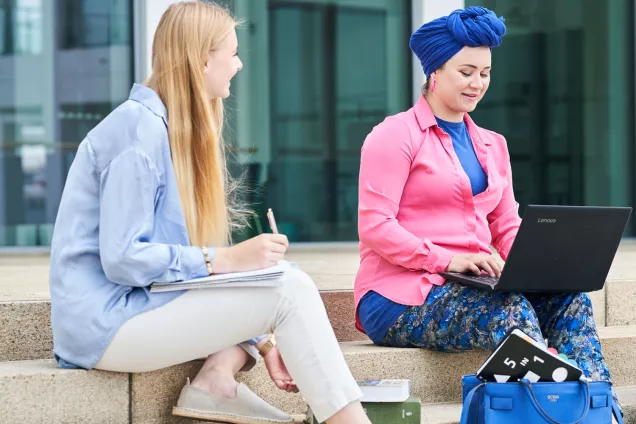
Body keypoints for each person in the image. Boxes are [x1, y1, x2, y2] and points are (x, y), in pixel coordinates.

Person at [49, 2, 371, 424]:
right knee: (289, 288)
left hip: (141, 307)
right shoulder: (137, 130)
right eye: (232, 53)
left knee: (276, 275)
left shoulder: (170, 129)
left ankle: (215, 383)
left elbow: (195, 272)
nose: (238, 65)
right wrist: (225, 259)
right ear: (203, 58)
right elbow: (123, 257)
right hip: (105, 325)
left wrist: (263, 342)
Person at [354, 5, 622, 416]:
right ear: (435, 71)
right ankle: (545, 413)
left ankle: (600, 412)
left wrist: (541, 264)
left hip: (474, 287)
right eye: (466, 71)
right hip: (398, 296)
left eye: (485, 72)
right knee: (511, 310)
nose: (478, 83)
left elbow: (506, 225)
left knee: (571, 300)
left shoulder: (492, 144)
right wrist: (449, 259)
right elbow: (375, 226)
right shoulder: (394, 135)